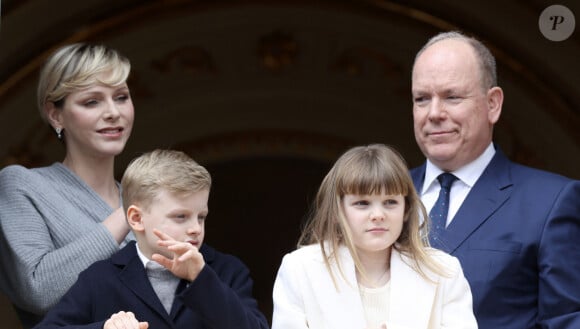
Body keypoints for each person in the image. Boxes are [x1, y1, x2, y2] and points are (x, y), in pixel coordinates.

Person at [410, 30, 580, 329]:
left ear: (493, 104)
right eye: (422, 99)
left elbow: (568, 321)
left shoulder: (551, 202)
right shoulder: (382, 197)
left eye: (452, 97)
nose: (434, 113)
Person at [33, 149, 269, 329]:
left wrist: (202, 279)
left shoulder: (228, 271)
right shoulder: (99, 278)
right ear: (136, 218)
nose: (196, 228)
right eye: (180, 217)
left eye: (201, 217)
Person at [0, 43, 135, 328]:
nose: (113, 112)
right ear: (55, 115)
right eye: (92, 101)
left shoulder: (139, 198)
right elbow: (37, 290)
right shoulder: (22, 185)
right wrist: (125, 217)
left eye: (121, 97)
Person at [272, 144, 477, 329]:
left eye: (390, 202)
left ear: (406, 209)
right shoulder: (299, 269)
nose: (378, 215)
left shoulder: (444, 271)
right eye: (362, 203)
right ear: (336, 211)